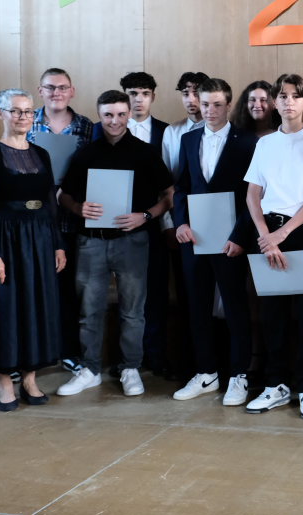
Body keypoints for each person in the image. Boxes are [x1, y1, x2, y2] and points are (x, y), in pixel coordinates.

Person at [56, 90, 174, 398]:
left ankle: (130, 367)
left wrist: (145, 216)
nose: (115, 121)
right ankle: (90, 370)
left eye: (121, 114)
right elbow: (64, 194)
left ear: (129, 114)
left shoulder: (146, 153)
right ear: (100, 115)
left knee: (133, 311)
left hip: (132, 241)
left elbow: (169, 195)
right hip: (91, 242)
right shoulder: (85, 153)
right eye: (108, 115)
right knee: (89, 310)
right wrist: (78, 207)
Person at [0, 89, 66, 411]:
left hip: (39, 241)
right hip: (4, 242)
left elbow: (50, 204)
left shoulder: (42, 154)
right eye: (16, 111)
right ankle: (5, 383)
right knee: (4, 310)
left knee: (36, 307)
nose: (23, 117)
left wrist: (58, 245)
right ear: (1, 114)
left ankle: (30, 379)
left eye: (28, 111)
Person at [244, 74, 303, 417]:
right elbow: (253, 194)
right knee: (272, 315)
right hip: (267, 234)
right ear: (275, 102)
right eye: (282, 96)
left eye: (295, 96)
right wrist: (266, 236)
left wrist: (283, 234)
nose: (288, 102)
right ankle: (276, 385)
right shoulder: (265, 144)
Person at [172, 78, 257, 406]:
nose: (210, 110)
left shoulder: (247, 141)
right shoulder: (189, 139)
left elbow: (254, 195)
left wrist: (240, 236)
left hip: (231, 240)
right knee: (197, 306)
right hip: (195, 236)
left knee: (235, 307)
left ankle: (239, 375)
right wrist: (180, 222)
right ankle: (206, 372)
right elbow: (182, 187)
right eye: (205, 103)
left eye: (217, 104)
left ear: (229, 105)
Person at [27, 68, 93, 374]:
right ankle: (32, 353)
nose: (57, 93)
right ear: (41, 90)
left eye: (62, 87)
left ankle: (68, 351)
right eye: (50, 87)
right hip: (33, 221)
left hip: (71, 221)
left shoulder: (86, 126)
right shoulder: (27, 121)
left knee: (68, 290)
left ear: (72, 91)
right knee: (33, 288)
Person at [107, 72, 172, 378]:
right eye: (133, 93)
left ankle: (155, 356)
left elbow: (171, 184)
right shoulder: (105, 130)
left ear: (153, 97)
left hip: (154, 223)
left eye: (145, 93)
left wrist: (163, 221)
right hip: (115, 224)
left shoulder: (166, 132)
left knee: (155, 292)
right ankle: (126, 360)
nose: (138, 99)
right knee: (124, 295)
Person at [159, 70, 209, 380]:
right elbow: (169, 183)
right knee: (188, 294)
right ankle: (192, 363)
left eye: (197, 93)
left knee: (218, 297)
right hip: (183, 224)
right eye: (186, 93)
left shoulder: (226, 130)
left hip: (218, 224)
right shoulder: (172, 132)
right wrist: (170, 224)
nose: (192, 100)